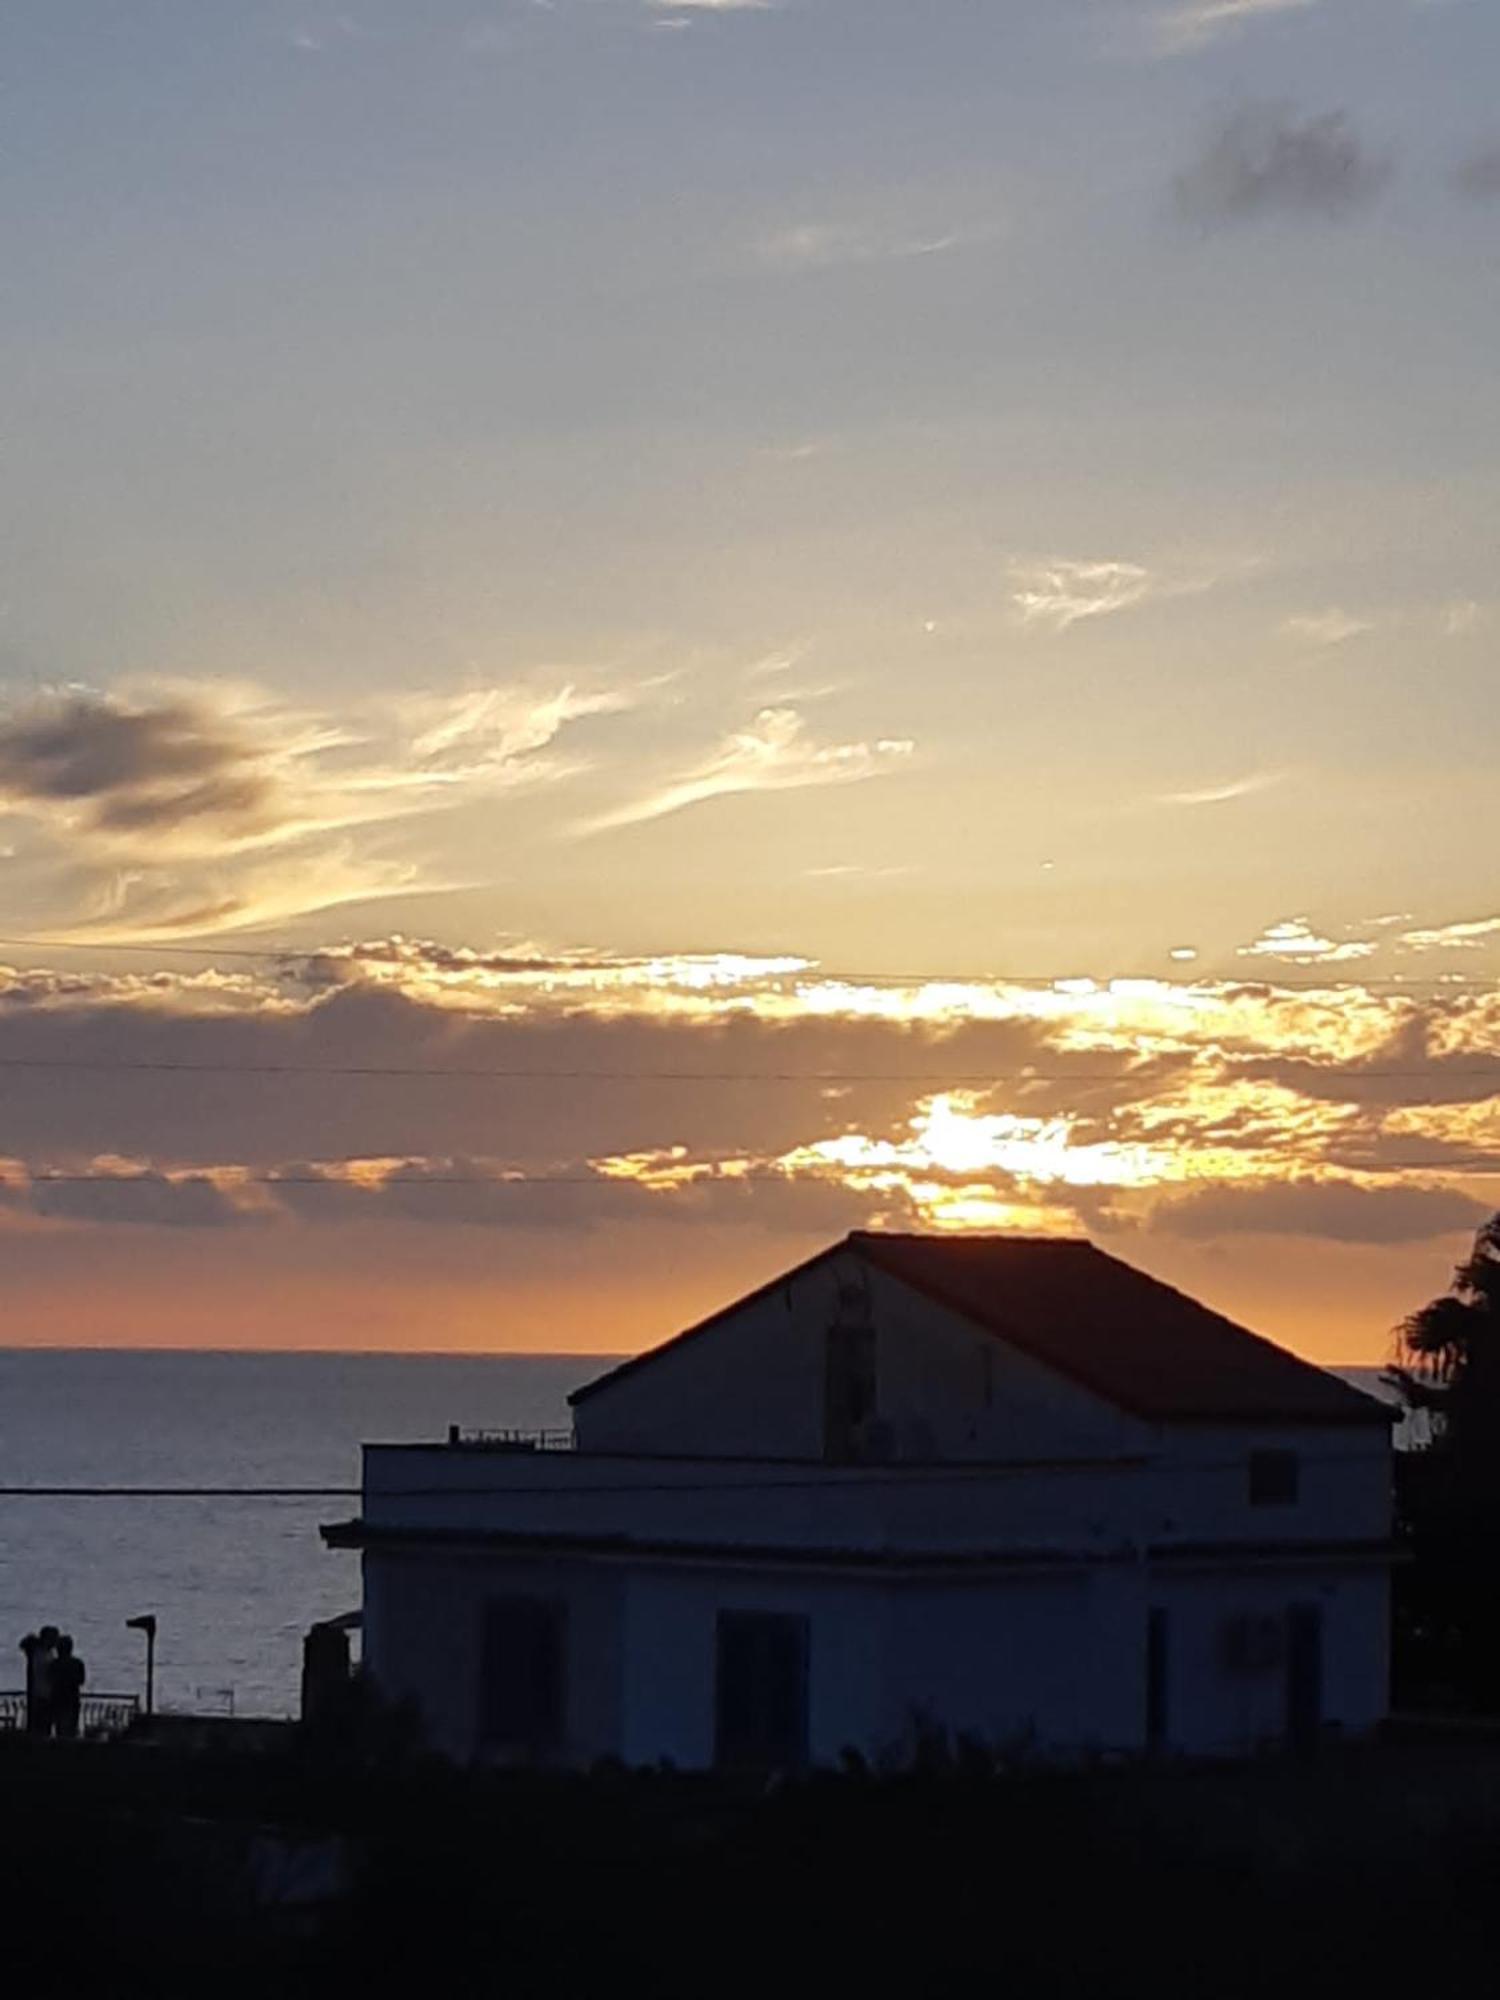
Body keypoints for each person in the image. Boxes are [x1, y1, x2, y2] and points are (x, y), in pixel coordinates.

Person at [19, 1626, 59, 1735]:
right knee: (41, 1727)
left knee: (42, 1727)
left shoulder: (43, 1653)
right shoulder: (40, 1654)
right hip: (41, 1695)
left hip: (42, 1694)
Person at [52, 1636, 85, 1740]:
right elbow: (81, 1680)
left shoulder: (54, 1664)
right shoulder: (77, 1663)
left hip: (58, 1699)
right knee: (71, 1727)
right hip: (72, 1698)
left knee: (60, 1728)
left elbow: (50, 1679)